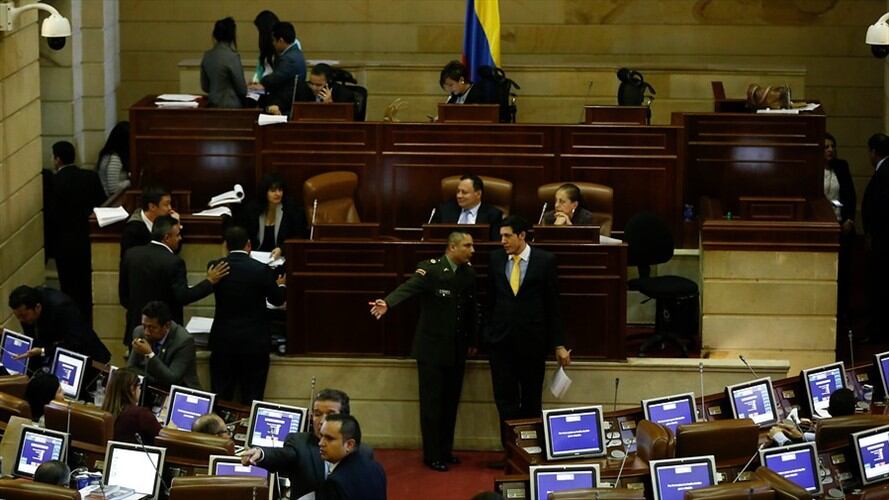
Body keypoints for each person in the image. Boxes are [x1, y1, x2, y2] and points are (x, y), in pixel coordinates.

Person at [369, 232, 478, 472]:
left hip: (457, 350)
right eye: (467, 246)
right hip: (432, 350)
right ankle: (432, 455)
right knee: (432, 405)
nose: (472, 250)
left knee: (451, 403)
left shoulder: (468, 274)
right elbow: (409, 288)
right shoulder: (431, 270)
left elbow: (470, 311)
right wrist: (388, 302)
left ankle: (446, 450)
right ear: (452, 247)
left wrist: (473, 340)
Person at [485, 215, 570, 446]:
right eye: (501, 236)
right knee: (504, 399)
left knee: (531, 398)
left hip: (532, 341)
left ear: (522, 236)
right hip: (500, 342)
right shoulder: (494, 259)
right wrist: (487, 335)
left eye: (507, 236)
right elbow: (489, 301)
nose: (502, 241)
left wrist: (559, 344)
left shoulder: (544, 260)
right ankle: (510, 450)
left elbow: (553, 304)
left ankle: (530, 450)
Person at [119, 215, 229, 346]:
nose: (180, 238)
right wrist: (209, 281)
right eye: (177, 235)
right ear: (166, 237)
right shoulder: (174, 262)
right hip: (164, 335)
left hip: (137, 331)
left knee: (137, 366)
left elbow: (124, 297)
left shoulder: (131, 255)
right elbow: (183, 296)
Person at [242, 389, 370, 500]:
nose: (322, 421)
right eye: (317, 414)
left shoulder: (363, 453)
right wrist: (261, 454)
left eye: (331, 415)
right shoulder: (299, 443)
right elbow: (282, 455)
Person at [208, 226, 286, 404]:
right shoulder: (260, 270)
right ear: (249, 245)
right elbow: (276, 300)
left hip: (223, 341)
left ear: (226, 245)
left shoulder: (215, 267)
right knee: (252, 398)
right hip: (254, 343)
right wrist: (281, 285)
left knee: (221, 397)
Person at [48, 140, 107, 324]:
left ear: (57, 159)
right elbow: (103, 205)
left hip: (64, 246)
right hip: (88, 241)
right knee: (86, 286)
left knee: (68, 287)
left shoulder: (54, 182)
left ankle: (72, 322)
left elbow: (51, 217)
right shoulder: (90, 177)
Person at [8, 285, 111, 367]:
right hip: (56, 353)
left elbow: (74, 342)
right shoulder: (27, 312)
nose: (21, 320)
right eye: (18, 317)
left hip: (88, 356)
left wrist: (43, 351)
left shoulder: (62, 307)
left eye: (23, 316)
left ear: (37, 307)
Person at [127, 301, 202, 389]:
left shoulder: (184, 341)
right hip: (153, 388)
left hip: (182, 391)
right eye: (144, 326)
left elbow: (173, 379)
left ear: (167, 325)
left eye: (152, 328)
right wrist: (155, 380)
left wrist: (150, 354)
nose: (146, 332)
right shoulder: (139, 332)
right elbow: (130, 369)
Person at [824, 133, 857, 326]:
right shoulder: (813, 170)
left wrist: (850, 219)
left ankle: (842, 311)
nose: (830, 150)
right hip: (823, 227)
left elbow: (850, 196)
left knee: (843, 270)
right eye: (826, 147)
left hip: (840, 224)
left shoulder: (842, 167)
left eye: (832, 146)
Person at [317, 414, 386, 500]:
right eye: (321, 436)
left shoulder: (334, 483)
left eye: (329, 439)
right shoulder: (376, 468)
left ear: (349, 445)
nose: (321, 443)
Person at [242, 173, 308, 260]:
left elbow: (299, 236)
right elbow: (244, 234)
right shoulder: (253, 209)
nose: (278, 194)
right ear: (264, 192)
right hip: (255, 257)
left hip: (280, 258)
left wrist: (282, 249)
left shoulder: (290, 208)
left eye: (280, 190)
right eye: (273, 190)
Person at [862, 133, 889, 342]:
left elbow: (879, 208)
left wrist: (872, 235)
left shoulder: (884, 174)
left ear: (873, 152)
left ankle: (878, 332)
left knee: (879, 287)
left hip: (883, 241)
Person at [250, 21, 307, 115]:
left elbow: (276, 77)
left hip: (284, 104)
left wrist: (261, 82)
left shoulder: (289, 58)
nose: (273, 44)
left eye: (273, 40)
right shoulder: (296, 53)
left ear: (280, 40)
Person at [768, 388, 856, 445]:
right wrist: (802, 436)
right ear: (854, 409)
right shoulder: (858, 426)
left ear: (829, 410)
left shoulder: (831, 435)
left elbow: (800, 454)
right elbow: (821, 439)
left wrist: (778, 436)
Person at [431, 173, 503, 240]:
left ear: (478, 194)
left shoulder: (493, 215)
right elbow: (431, 237)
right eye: (458, 191)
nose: (459, 196)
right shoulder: (444, 210)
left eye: (464, 192)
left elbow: (495, 245)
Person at [103, 366, 161, 445]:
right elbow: (162, 438)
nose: (140, 389)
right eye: (139, 386)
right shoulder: (141, 414)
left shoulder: (104, 410)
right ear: (132, 389)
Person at [119, 184, 178, 258]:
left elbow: (174, 251)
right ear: (152, 206)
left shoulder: (165, 222)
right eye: (166, 204)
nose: (170, 208)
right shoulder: (132, 230)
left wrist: (176, 226)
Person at [201, 17, 247, 108]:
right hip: (232, 105)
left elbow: (205, 87)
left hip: (213, 104)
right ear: (232, 35)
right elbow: (242, 89)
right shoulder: (232, 57)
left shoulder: (207, 55)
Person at [96, 121, 131, 197]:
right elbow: (113, 188)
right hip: (110, 201)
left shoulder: (108, 155)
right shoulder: (114, 159)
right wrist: (130, 182)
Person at [253, 10, 282, 83]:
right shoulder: (265, 45)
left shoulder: (285, 45)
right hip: (263, 86)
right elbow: (260, 68)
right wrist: (255, 81)